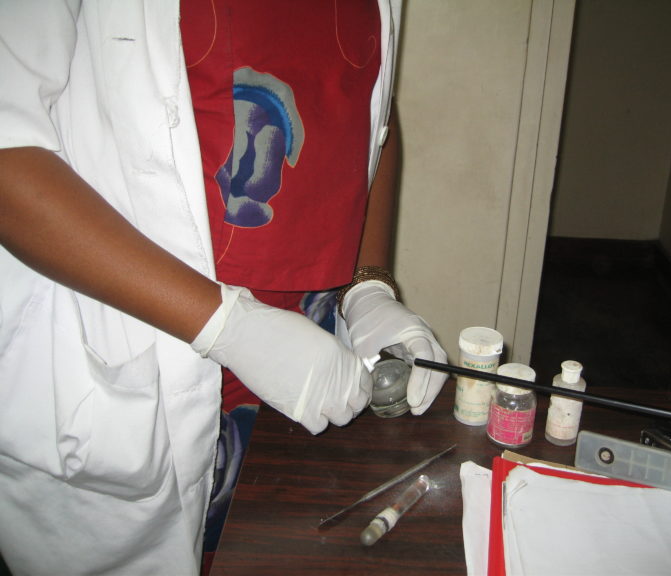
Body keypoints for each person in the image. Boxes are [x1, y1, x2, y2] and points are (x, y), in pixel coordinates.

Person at [0, 1, 447, 574]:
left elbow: (372, 110)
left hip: (311, 358)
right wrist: (231, 328)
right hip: (144, 339)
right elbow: (8, 153)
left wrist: (370, 289)